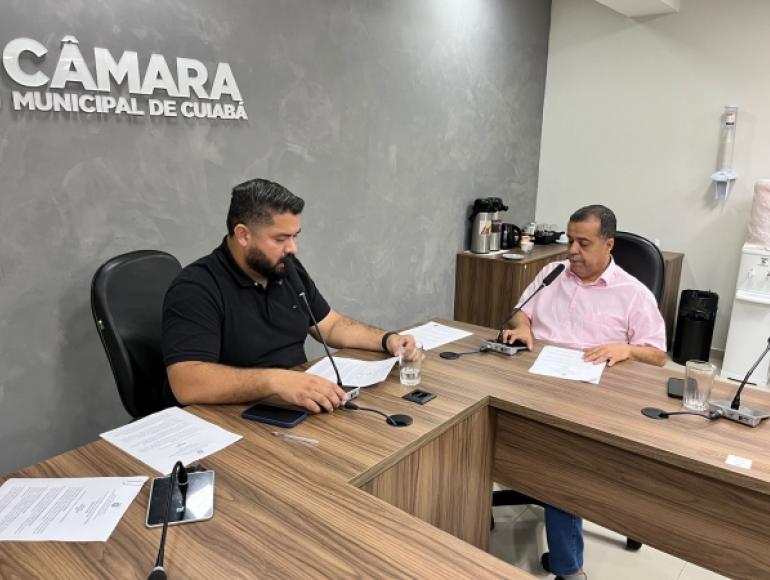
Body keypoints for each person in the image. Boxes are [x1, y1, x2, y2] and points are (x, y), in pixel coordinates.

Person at [500, 204, 666, 580]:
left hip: (589, 394)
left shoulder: (633, 294)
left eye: (583, 243)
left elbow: (658, 355)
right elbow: (520, 310)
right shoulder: (552, 273)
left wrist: (628, 349)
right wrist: (522, 326)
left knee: (561, 462)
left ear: (608, 244)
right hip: (533, 380)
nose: (572, 251)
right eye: (570, 241)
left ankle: (568, 568)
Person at [161, 178, 416, 413]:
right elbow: (186, 382)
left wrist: (388, 340)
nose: (293, 248)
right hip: (234, 418)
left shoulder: (284, 267)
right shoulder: (195, 287)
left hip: (294, 406)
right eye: (280, 238)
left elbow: (331, 325)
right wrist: (275, 380)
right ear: (243, 235)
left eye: (295, 236)